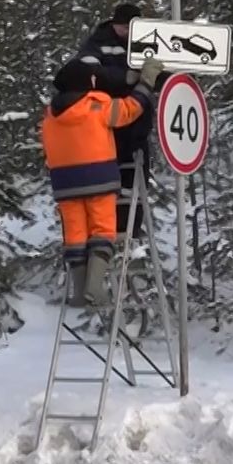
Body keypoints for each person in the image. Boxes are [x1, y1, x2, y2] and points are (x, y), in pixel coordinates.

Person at [41, 56, 165, 306]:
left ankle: (78, 291)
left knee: (75, 235)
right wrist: (146, 80)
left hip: (64, 185)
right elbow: (132, 108)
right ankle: (94, 288)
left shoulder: (50, 117)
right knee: (102, 231)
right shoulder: (96, 106)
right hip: (98, 178)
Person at [77, 3, 155, 235]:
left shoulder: (147, 40)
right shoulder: (98, 42)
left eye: (131, 28)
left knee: (137, 177)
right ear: (115, 23)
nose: (127, 33)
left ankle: (133, 228)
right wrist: (126, 78)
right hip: (108, 121)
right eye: (123, 27)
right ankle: (108, 228)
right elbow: (87, 74)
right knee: (110, 178)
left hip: (138, 122)